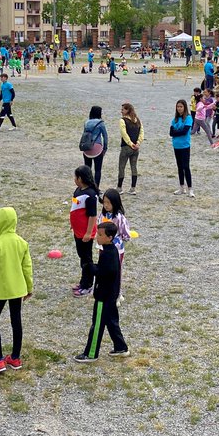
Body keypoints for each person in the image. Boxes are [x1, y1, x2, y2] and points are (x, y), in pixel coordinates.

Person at [0, 207, 33, 374]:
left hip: (0, 290)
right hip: (18, 289)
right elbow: (27, 267)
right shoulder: (22, 242)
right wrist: (29, 288)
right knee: (16, 320)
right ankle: (15, 357)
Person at [73, 222, 129, 362]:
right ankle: (121, 347)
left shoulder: (108, 254)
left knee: (97, 324)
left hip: (104, 296)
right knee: (111, 321)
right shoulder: (110, 250)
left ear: (110, 237)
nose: (97, 237)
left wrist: (90, 267)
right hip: (111, 294)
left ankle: (91, 354)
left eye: (100, 235)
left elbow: (104, 272)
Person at [69, 166, 100, 296]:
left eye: (75, 177)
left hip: (85, 233)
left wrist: (88, 233)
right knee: (82, 257)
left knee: (87, 260)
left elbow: (92, 216)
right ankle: (83, 282)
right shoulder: (78, 191)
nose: (74, 179)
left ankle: (88, 285)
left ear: (80, 178)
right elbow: (75, 207)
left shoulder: (90, 195)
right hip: (77, 231)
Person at [116, 102, 143, 195]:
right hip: (136, 148)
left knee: (122, 167)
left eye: (123, 109)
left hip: (126, 147)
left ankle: (119, 187)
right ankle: (133, 188)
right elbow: (141, 133)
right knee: (134, 167)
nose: (121, 111)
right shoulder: (138, 120)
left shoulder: (122, 120)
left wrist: (130, 143)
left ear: (127, 110)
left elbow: (124, 134)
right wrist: (138, 143)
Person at [169, 99, 194, 196]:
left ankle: (190, 189)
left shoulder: (188, 118)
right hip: (176, 145)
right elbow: (171, 133)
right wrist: (176, 132)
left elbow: (184, 131)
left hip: (185, 146)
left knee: (186, 167)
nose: (179, 108)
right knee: (179, 167)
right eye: (178, 107)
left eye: (181, 107)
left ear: (184, 107)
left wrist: (176, 132)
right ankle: (181, 187)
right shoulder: (174, 120)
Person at [79, 106, 108, 184]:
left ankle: (87, 185)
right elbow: (105, 136)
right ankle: (96, 188)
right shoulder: (100, 123)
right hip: (97, 148)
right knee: (98, 170)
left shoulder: (86, 122)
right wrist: (105, 148)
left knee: (87, 169)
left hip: (87, 148)